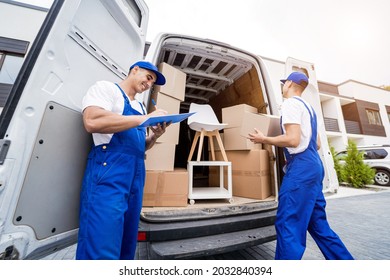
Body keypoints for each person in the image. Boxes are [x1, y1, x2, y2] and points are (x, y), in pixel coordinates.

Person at [247, 72, 354, 260]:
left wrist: (264, 139)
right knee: (319, 226)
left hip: (302, 169)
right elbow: (318, 143)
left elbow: (293, 139)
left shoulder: (290, 104)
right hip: (313, 165)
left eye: (284, 83)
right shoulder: (309, 109)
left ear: (289, 84)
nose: (283, 87)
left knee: (288, 224)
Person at [76, 61, 169, 260]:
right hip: (109, 171)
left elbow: (139, 145)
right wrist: (144, 120)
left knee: (127, 244)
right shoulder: (106, 89)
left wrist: (154, 136)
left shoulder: (139, 106)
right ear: (134, 70)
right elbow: (92, 121)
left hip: (135, 174)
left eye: (152, 82)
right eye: (148, 77)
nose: (148, 84)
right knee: (101, 242)